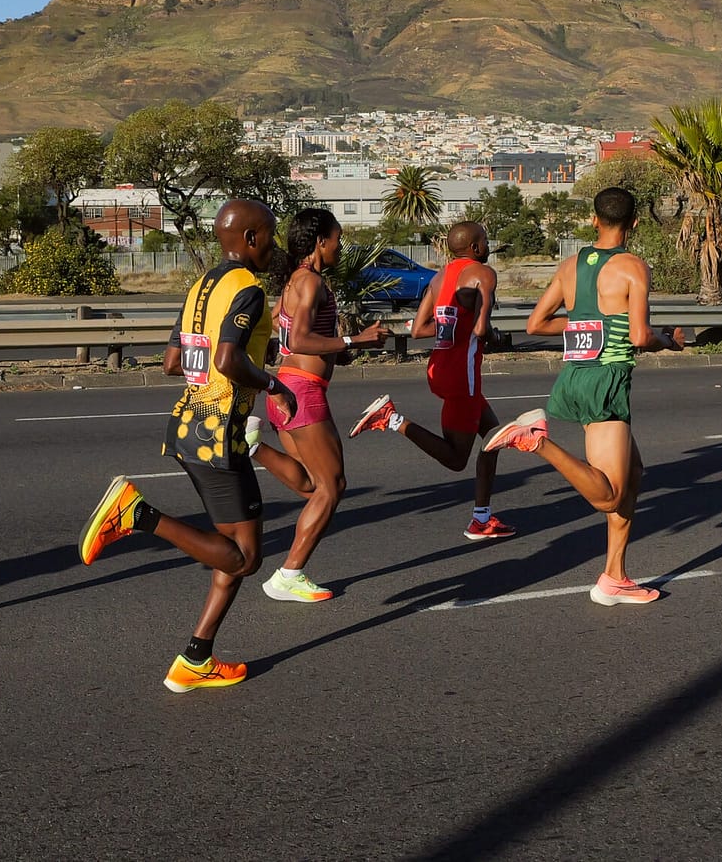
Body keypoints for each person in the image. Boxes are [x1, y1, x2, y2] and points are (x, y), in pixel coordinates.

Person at [75, 199, 304, 692]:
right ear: (248, 239)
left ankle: (196, 657)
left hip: (188, 425)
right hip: (219, 433)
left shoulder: (200, 287)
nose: (272, 244)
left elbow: (172, 363)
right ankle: (138, 515)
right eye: (267, 234)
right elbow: (226, 359)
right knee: (245, 558)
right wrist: (271, 384)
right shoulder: (248, 290)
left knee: (232, 552)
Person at [486, 186, 685, 606]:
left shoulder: (571, 265)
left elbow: (536, 324)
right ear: (634, 223)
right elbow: (637, 336)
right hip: (606, 378)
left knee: (632, 477)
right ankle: (536, 441)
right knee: (610, 495)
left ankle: (615, 577)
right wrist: (667, 340)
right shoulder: (633, 267)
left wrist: (585, 322)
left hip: (575, 376)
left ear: (595, 220)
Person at [351, 220, 514, 540]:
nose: (487, 246)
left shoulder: (440, 278)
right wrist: (490, 334)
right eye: (484, 240)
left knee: (493, 436)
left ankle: (482, 516)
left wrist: (451, 331)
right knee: (456, 459)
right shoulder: (483, 274)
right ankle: (392, 418)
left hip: (440, 367)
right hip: (462, 376)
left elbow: (418, 330)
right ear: (477, 247)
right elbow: (481, 329)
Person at [261, 207, 387, 600]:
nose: (340, 245)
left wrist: (340, 352)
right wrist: (356, 341)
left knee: (313, 485)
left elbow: (287, 338)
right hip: (303, 393)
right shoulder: (310, 282)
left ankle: (251, 447)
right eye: (337, 238)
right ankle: (289, 573)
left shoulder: (293, 282)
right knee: (332, 487)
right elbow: (298, 341)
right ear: (320, 242)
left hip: (285, 389)